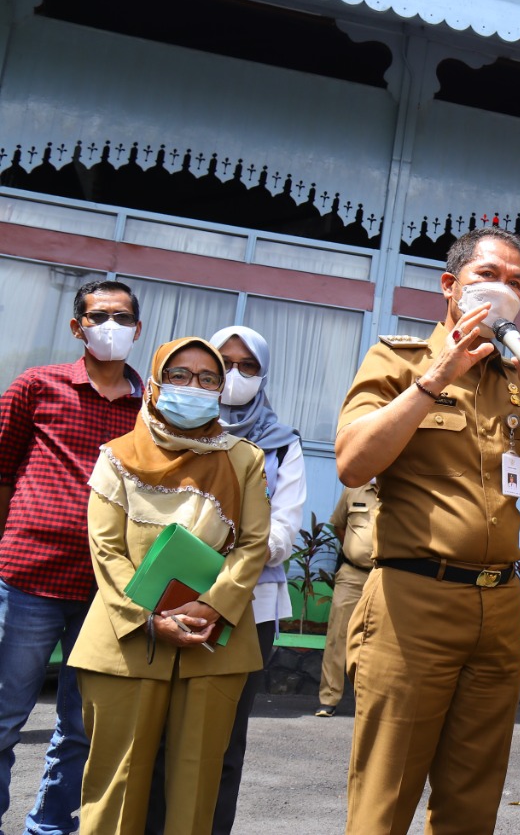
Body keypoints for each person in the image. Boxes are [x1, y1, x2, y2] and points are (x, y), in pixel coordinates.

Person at [335, 226, 520, 835]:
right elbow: (353, 462)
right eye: (487, 277)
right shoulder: (401, 359)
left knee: (473, 798)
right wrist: (436, 376)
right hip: (414, 600)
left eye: (516, 282)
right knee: (385, 795)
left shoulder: (518, 377)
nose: (504, 291)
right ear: (450, 286)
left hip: (497, 605)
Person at [68, 338, 269, 835]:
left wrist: (210, 606)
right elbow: (106, 551)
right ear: (155, 383)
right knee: (115, 785)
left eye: (207, 378)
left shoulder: (244, 459)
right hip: (126, 638)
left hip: (212, 639)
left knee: (197, 789)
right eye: (179, 376)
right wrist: (148, 619)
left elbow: (253, 545)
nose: (193, 387)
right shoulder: (115, 456)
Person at [142, 327, 306, 834]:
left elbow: (283, 533)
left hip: (246, 609)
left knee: (222, 740)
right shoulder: (164, 431)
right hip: (164, 598)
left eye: (248, 366)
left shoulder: (281, 446)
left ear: (264, 375)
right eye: (223, 365)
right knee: (153, 733)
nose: (234, 376)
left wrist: (217, 550)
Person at [0, 279, 144, 835]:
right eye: (99, 316)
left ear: (138, 327)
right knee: (5, 718)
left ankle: (50, 828)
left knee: (81, 728)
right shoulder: (37, 387)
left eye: (123, 317)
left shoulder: (152, 406)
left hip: (106, 591)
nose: (112, 326)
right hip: (27, 578)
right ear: (76, 326)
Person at [314, 480, 379, 718]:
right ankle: (328, 699)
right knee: (337, 636)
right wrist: (355, 550)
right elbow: (339, 526)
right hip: (352, 575)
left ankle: (372, 704)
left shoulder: (405, 487)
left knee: (384, 641)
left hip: (388, 576)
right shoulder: (354, 489)